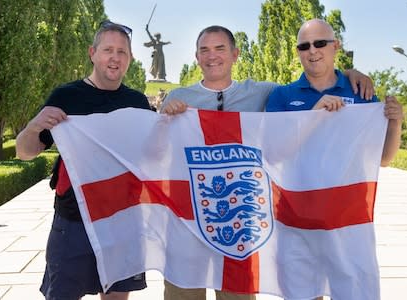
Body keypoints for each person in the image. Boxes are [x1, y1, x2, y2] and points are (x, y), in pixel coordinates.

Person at [160, 25, 376, 300]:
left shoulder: (263, 93)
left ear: (235, 54)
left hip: (239, 227)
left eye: (220, 48)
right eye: (205, 50)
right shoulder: (178, 97)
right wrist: (165, 118)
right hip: (187, 223)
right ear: (196, 57)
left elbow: (313, 77)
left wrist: (347, 74)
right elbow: (154, 157)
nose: (212, 56)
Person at [15, 20, 150, 300]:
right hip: (74, 220)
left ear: (130, 58)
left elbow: (154, 157)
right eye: (107, 50)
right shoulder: (66, 96)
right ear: (92, 52)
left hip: (122, 220)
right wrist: (34, 126)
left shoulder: (138, 103)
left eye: (122, 52)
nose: (115, 58)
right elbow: (24, 152)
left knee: (116, 296)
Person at [266, 19, 403, 167]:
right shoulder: (280, 95)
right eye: (304, 46)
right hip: (299, 191)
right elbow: (273, 156)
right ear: (298, 51)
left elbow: (383, 159)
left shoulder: (362, 92)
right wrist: (314, 116)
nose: (312, 50)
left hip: (349, 190)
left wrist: (396, 122)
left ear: (335, 46)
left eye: (320, 43)